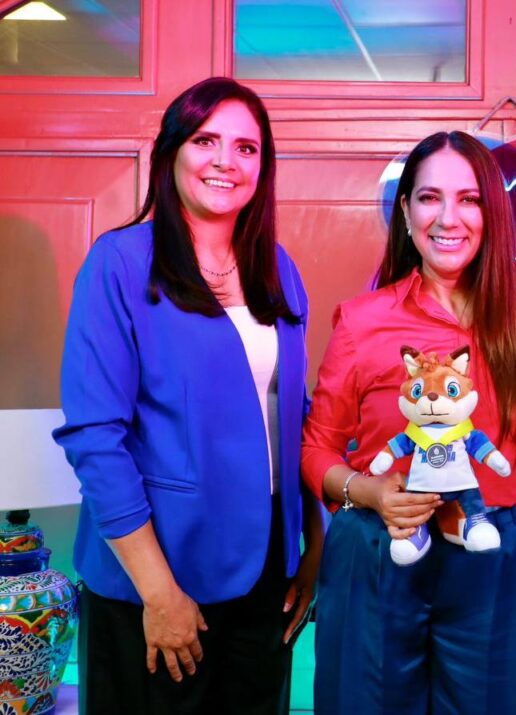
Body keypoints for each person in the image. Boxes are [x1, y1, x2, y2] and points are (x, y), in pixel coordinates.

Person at [53, 77, 323, 714]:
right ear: (171, 151)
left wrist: (312, 544)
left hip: (267, 569)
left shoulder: (278, 268)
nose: (226, 161)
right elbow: (95, 437)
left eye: (246, 148)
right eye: (206, 140)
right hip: (160, 570)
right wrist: (159, 592)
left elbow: (293, 416)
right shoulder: (120, 262)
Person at [301, 130, 516, 714]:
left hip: (491, 551)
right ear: (406, 210)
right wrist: (370, 492)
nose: (448, 217)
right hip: (379, 549)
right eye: (429, 197)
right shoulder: (363, 320)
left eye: (469, 199)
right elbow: (316, 450)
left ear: (492, 213)